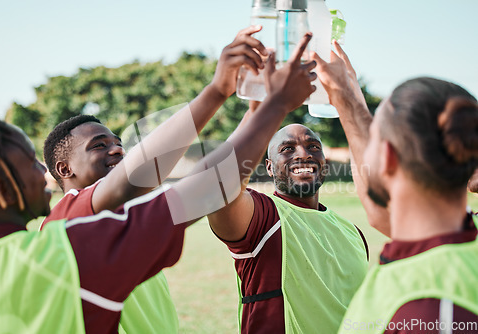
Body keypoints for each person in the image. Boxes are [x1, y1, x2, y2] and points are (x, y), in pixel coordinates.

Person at [0, 31, 317, 333]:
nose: (42, 173)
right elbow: (197, 185)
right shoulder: (66, 240)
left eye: (118, 144)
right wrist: (267, 103)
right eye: (30, 163)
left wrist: (255, 108)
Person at [40, 26, 272, 334]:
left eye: (117, 142)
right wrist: (218, 90)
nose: (117, 149)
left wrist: (259, 107)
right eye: (98, 145)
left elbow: (212, 180)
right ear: (65, 169)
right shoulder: (64, 223)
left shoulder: (125, 221)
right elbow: (153, 174)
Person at [312, 43, 478, 334]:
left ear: (387, 157)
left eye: (373, 137)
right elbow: (381, 213)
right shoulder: (452, 242)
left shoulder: (434, 312)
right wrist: (347, 101)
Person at [207, 64, 370, 334]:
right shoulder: (263, 217)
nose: (303, 154)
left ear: (325, 164)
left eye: (313, 146)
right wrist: (260, 113)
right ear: (270, 167)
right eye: (287, 149)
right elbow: (218, 189)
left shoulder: (354, 233)